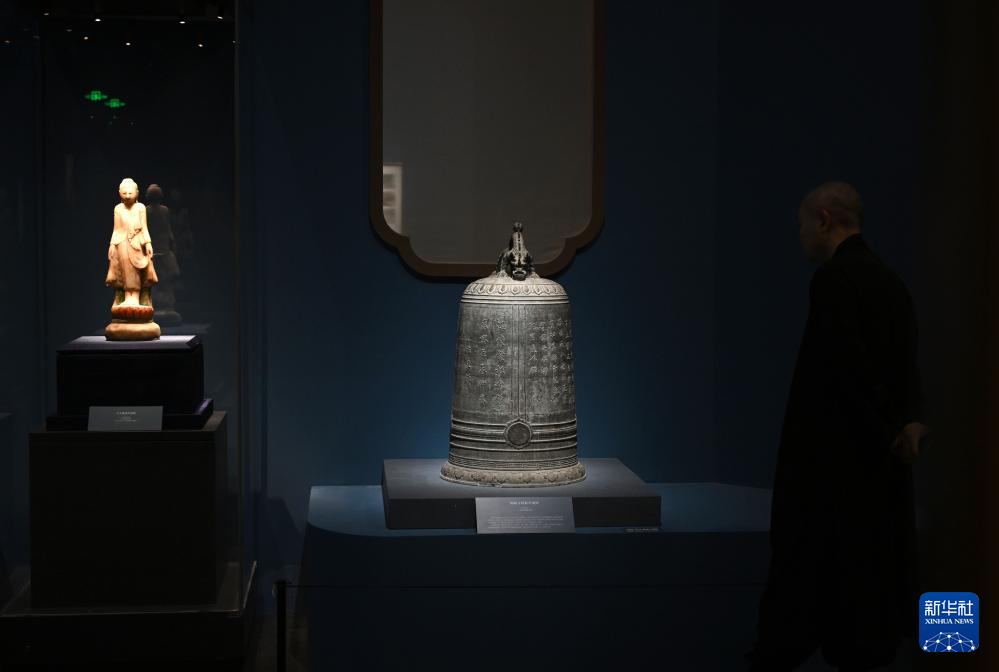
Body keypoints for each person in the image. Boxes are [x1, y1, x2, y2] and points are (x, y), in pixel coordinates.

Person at [749, 182, 929, 671]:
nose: (800, 236)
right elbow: (905, 366)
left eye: (802, 224)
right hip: (881, 472)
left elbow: (837, 375)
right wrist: (904, 426)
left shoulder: (833, 281)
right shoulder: (890, 281)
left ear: (824, 219)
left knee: (798, 603)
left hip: (832, 475)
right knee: (867, 608)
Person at [105, 177, 158, 306]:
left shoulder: (140, 207)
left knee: (136, 269)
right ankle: (128, 296)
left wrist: (148, 243)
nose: (128, 196)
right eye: (124, 193)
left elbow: (144, 227)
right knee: (125, 269)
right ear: (119, 193)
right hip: (122, 242)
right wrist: (112, 244)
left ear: (137, 193)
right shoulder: (118, 208)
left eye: (130, 193)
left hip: (137, 242)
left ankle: (136, 296)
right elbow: (116, 229)